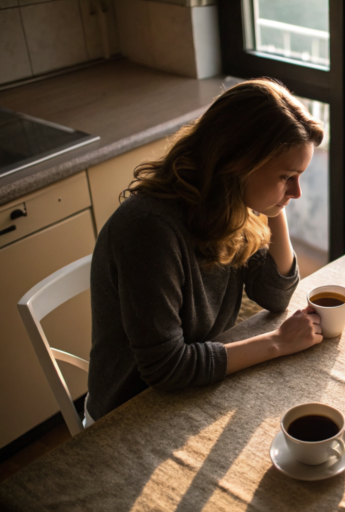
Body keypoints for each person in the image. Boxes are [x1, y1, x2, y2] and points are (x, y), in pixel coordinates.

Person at [86, 79, 325, 422]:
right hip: (132, 411)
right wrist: (278, 342)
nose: (297, 192)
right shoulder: (149, 229)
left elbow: (275, 295)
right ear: (238, 162)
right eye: (287, 176)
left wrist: (275, 206)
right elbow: (166, 368)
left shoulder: (232, 203)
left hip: (199, 382)